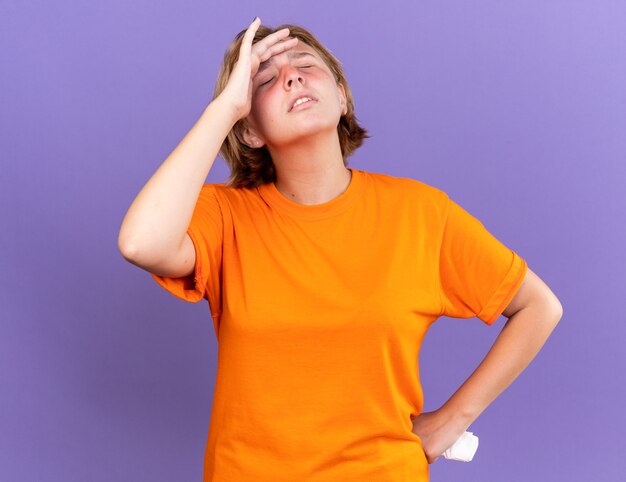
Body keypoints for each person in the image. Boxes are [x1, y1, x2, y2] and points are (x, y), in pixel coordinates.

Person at [118, 17, 563, 482]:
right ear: (249, 130)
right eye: (265, 79)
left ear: (342, 95)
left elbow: (538, 306)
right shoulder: (224, 217)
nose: (290, 76)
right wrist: (223, 109)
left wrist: (455, 419)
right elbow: (139, 242)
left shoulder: (420, 212)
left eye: (306, 65)